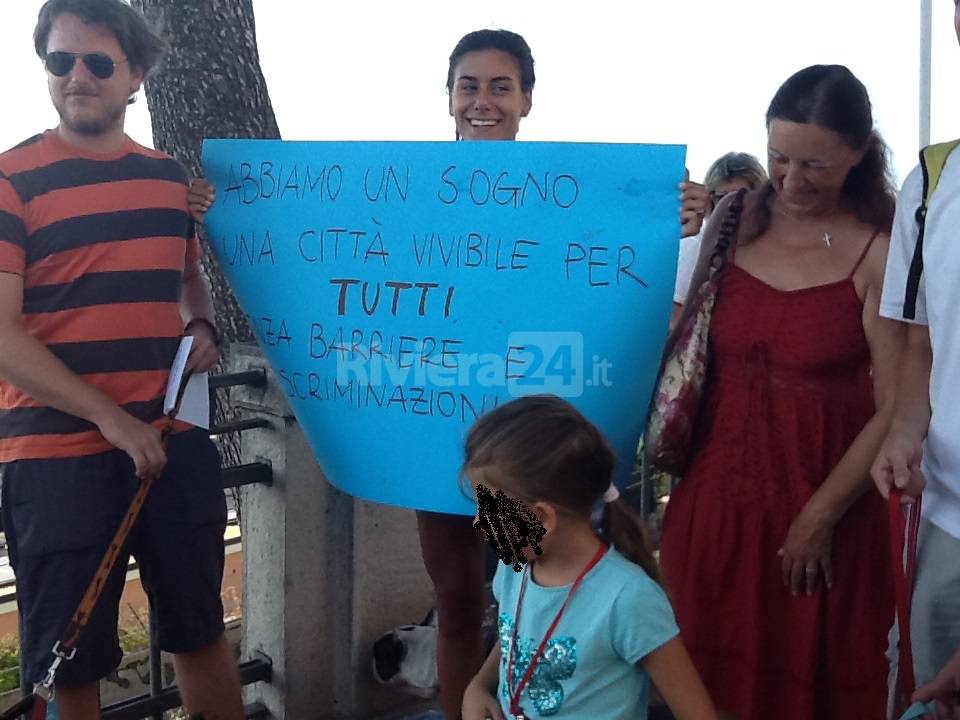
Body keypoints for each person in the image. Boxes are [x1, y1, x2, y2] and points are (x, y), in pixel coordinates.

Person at [187, 27, 710, 717]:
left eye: (500, 86)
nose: (483, 101)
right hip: (436, 441)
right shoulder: (409, 192)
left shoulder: (577, 194)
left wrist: (680, 218)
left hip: (531, 452)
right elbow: (301, 235)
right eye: (469, 86)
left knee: (549, 585)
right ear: (449, 96)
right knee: (461, 598)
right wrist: (218, 206)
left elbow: (622, 278)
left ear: (527, 98)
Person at [0, 1, 244, 718]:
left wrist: (201, 322)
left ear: (135, 74)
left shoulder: (170, 180)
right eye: (60, 60)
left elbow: (185, 281)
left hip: (172, 441)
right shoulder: (12, 180)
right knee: (70, 664)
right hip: (55, 458)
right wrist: (112, 420)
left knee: (201, 632)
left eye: (99, 62)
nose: (78, 77)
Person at [658, 64, 904, 720]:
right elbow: (678, 337)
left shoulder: (881, 249)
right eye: (779, 158)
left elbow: (900, 404)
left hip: (827, 519)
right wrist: (665, 237)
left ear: (858, 152)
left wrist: (819, 517)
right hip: (713, 507)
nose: (792, 181)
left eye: (815, 165)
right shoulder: (733, 220)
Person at [460, 394, 716, 720]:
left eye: (488, 509)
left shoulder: (627, 600)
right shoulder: (514, 570)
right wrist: (478, 686)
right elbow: (518, 638)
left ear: (542, 518)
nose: (478, 521)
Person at [871, 4, 960, 715]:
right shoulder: (932, 181)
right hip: (950, 512)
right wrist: (903, 432)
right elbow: (920, 339)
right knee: (930, 692)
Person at [672, 152, 768, 325]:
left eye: (741, 198)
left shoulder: (770, 245)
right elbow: (675, 318)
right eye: (721, 199)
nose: (731, 206)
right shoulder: (696, 244)